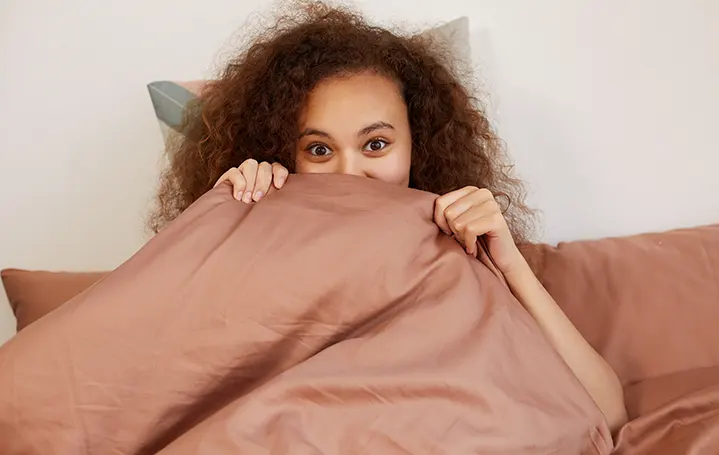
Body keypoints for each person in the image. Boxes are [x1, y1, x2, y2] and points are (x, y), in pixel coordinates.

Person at [150, 1, 627, 432]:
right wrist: (220, 224)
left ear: (417, 145)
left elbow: (607, 411)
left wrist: (508, 263)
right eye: (319, 149)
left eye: (375, 144)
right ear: (286, 155)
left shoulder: (459, 244)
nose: (349, 172)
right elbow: (175, 387)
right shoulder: (258, 239)